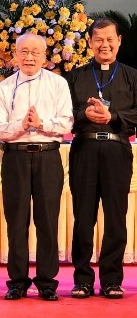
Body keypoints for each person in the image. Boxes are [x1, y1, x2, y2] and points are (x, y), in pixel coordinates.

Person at [0, 33, 73, 301]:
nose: (29, 57)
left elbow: (66, 123)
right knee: (16, 222)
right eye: (24, 51)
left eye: (35, 52)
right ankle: (17, 282)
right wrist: (21, 125)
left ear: (45, 57)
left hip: (48, 157)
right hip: (15, 158)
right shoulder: (3, 88)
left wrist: (41, 124)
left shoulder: (58, 84)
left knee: (47, 220)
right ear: (15, 55)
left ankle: (47, 282)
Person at [66, 17, 137, 299]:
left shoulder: (132, 76)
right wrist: (84, 114)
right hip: (84, 148)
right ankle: (82, 279)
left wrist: (113, 116)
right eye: (98, 39)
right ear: (90, 42)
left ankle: (111, 279)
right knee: (83, 217)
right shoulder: (76, 76)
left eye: (109, 39)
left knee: (116, 217)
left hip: (117, 150)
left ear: (119, 40)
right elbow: (63, 113)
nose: (104, 45)